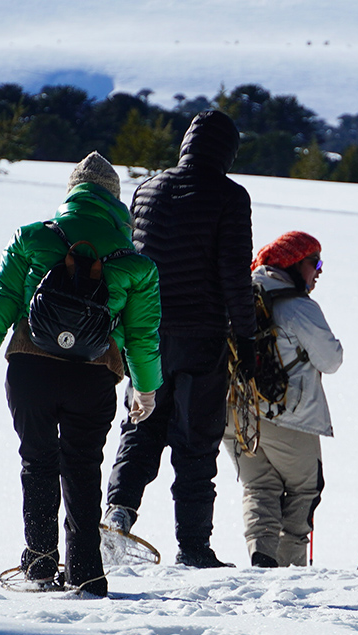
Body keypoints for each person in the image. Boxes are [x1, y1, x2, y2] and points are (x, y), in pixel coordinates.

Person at [0, 152, 163, 597]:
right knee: (84, 467)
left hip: (30, 368)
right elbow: (143, 335)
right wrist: (145, 389)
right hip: (92, 378)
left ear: (72, 194)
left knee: (37, 460)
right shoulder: (135, 264)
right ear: (115, 202)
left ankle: (39, 563)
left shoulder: (33, 238)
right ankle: (87, 571)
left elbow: (2, 301)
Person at [100, 110, 256, 569]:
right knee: (196, 441)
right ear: (226, 150)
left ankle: (117, 517)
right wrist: (245, 342)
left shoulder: (147, 188)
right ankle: (193, 546)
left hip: (145, 335)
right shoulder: (231, 196)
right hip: (201, 337)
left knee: (140, 427)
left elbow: (130, 257)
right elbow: (234, 276)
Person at [226, 231, 343, 567]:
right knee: (305, 491)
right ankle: (290, 571)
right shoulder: (299, 307)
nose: (319, 271)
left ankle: (261, 558)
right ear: (293, 263)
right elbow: (331, 360)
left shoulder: (240, 295)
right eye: (315, 262)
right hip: (288, 417)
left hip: (236, 415)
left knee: (260, 488)